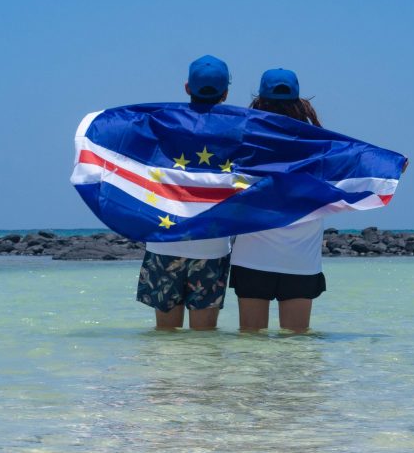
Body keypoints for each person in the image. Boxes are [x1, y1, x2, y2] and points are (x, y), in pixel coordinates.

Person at [136, 55, 234, 330]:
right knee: (203, 341)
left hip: (164, 239)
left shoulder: (163, 123)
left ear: (187, 88)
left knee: (165, 338)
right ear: (226, 91)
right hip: (211, 244)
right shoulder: (239, 130)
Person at [229, 68, 325, 333]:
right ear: (299, 101)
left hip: (252, 258)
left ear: (259, 100)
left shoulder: (244, 143)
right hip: (300, 260)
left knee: (251, 347)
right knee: (296, 351)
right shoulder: (321, 146)